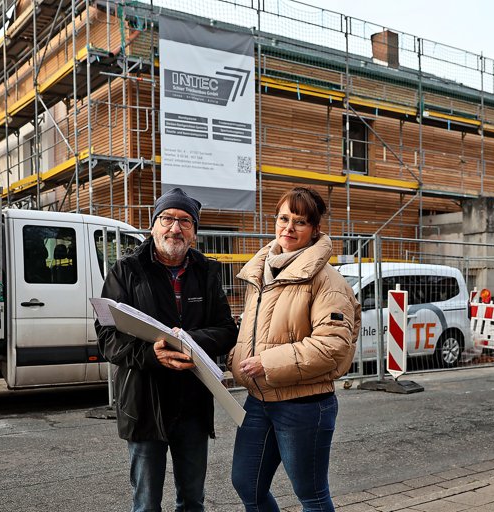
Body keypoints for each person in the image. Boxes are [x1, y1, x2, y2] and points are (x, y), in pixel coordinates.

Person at [96, 187, 239, 512]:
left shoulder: (206, 272)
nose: (175, 228)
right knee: (146, 504)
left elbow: (226, 330)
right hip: (144, 404)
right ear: (153, 226)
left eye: (185, 221)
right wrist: (152, 354)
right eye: (167, 218)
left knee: (192, 501)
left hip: (193, 404)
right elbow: (107, 337)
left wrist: (189, 340)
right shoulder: (126, 271)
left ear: (194, 232)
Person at [229, 187, 360, 511]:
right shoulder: (263, 271)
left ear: (314, 229)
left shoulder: (326, 281)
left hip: (304, 404)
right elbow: (257, 333)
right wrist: (235, 360)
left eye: (299, 222)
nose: (288, 227)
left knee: (311, 495)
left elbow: (332, 346)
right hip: (259, 399)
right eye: (283, 218)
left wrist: (266, 362)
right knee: (247, 484)